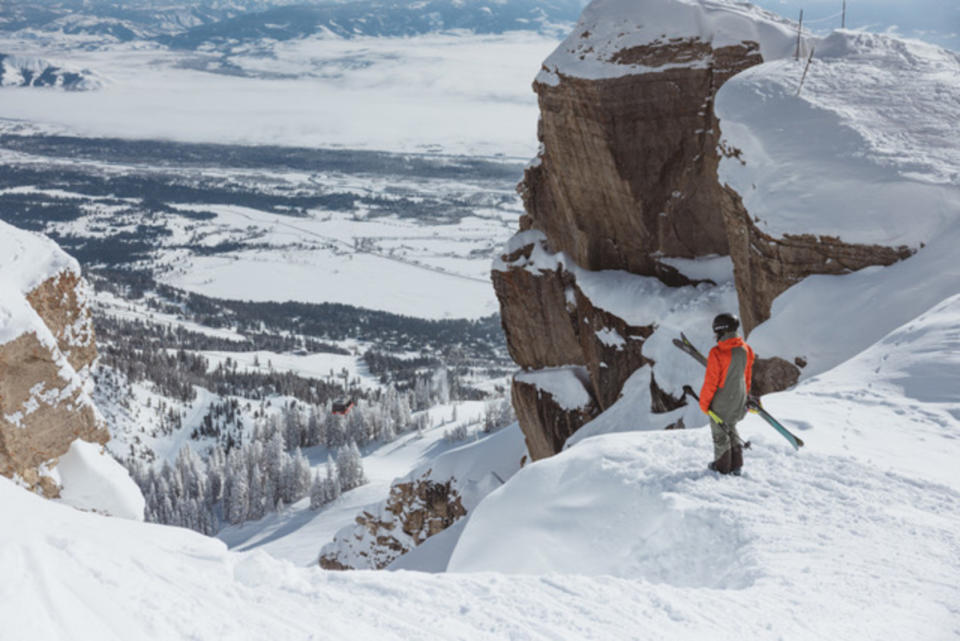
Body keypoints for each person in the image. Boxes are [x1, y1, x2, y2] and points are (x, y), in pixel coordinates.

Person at [699, 313, 755, 475]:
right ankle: (736, 464)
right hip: (739, 397)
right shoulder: (745, 348)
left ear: (721, 330)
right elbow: (747, 376)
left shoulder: (717, 352)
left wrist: (704, 403)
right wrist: (746, 395)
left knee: (720, 433)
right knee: (730, 426)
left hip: (722, 401)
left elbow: (711, 382)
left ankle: (722, 466)